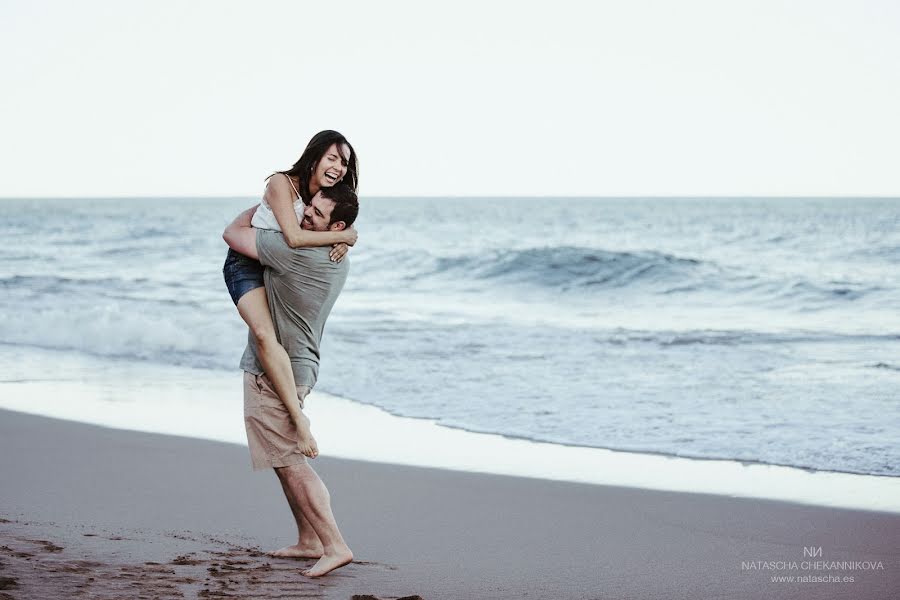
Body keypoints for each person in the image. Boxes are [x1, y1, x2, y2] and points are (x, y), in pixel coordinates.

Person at [223, 182, 359, 578]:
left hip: (278, 370)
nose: (303, 217)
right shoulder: (338, 257)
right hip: (300, 364)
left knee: (290, 461)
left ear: (336, 226)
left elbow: (233, 233)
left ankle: (334, 543)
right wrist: (345, 237)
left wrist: (272, 198)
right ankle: (309, 539)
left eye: (315, 215)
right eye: (307, 208)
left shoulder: (296, 253)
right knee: (283, 460)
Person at [222, 130, 359, 459]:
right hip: (245, 262)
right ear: (314, 155)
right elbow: (296, 239)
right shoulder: (282, 184)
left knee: (282, 336)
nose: (339, 168)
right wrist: (344, 236)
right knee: (265, 335)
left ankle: (293, 397)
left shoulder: (326, 197)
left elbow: (332, 224)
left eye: (345, 163)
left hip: (274, 262)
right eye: (332, 158)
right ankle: (298, 420)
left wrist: (346, 235)